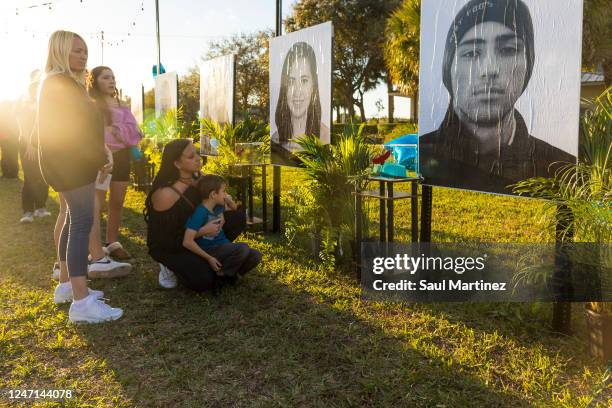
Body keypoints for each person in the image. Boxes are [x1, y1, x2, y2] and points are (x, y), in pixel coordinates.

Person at [419, 0, 575, 194]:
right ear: (448, 69)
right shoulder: (421, 156)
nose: (490, 69)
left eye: (508, 50)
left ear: (529, 64)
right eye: (471, 53)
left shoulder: (562, 169)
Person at [38, 30, 122, 323]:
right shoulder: (61, 84)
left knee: (74, 219)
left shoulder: (61, 83)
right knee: (82, 223)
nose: (83, 55)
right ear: (60, 52)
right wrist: (100, 156)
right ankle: (82, 302)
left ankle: (67, 286)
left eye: (85, 50)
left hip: (67, 163)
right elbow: (74, 129)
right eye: (76, 50)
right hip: (72, 163)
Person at [144, 139, 248, 291]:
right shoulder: (165, 194)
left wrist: (223, 206)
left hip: (196, 233)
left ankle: (208, 255)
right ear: (177, 164)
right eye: (191, 156)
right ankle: (169, 267)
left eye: (197, 153)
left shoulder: (199, 177)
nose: (198, 158)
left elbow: (214, 205)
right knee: (204, 280)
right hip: (171, 245)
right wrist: (203, 231)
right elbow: (165, 239)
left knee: (237, 218)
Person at [87, 66, 143, 262]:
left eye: (113, 77)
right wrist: (112, 133)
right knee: (98, 203)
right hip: (102, 158)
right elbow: (93, 133)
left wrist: (118, 130)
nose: (111, 81)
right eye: (105, 77)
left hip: (122, 157)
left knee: (118, 201)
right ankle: (94, 246)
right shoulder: (91, 104)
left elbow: (135, 130)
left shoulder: (122, 103)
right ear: (94, 81)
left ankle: (112, 242)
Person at [183, 175, 261, 278]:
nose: (226, 194)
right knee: (243, 248)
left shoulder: (217, 207)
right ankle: (222, 274)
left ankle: (232, 276)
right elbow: (187, 242)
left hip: (223, 246)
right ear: (213, 194)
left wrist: (228, 201)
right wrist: (209, 258)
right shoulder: (200, 212)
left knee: (255, 255)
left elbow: (234, 210)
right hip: (210, 250)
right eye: (223, 191)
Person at [272, 41, 330, 165]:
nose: (297, 92)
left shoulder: (325, 137)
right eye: (291, 81)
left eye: (304, 80)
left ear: (313, 85)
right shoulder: (275, 139)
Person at [16, 70, 51, 223]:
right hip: (26, 144)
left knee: (44, 177)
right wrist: (30, 144)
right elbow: (21, 125)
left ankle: (41, 207)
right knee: (30, 177)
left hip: (43, 145)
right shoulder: (23, 101)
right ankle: (27, 211)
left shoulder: (46, 104)